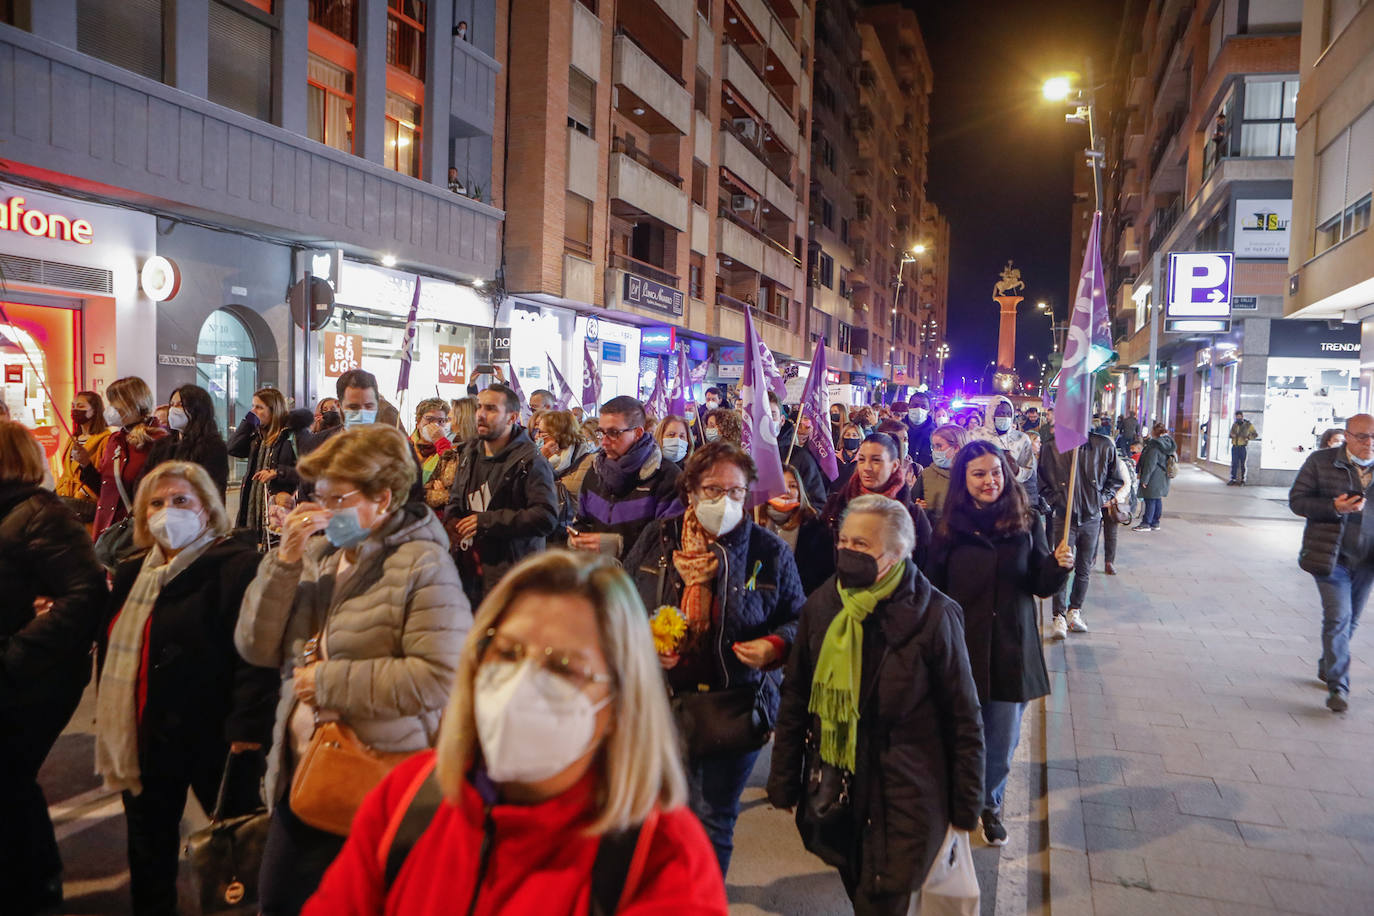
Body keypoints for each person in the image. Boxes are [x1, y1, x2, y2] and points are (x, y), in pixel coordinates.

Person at [300, 551, 728, 915]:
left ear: (619, 702)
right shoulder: (406, 798)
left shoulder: (663, 862)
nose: (522, 681)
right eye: (507, 652)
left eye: (563, 667)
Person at [235, 424, 472, 915]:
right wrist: (283, 560)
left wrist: (326, 683)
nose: (323, 510)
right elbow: (256, 645)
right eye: (318, 496)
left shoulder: (423, 566)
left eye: (336, 498)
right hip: (300, 772)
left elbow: (439, 679)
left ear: (382, 498)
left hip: (377, 783)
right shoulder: (318, 556)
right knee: (277, 902)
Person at [767, 494, 985, 913]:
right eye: (844, 541)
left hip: (908, 797)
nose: (847, 552)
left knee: (882, 898)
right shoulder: (824, 604)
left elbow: (964, 719)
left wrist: (966, 806)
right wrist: (784, 780)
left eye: (861, 545)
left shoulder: (935, 617)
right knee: (857, 883)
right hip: (839, 790)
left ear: (899, 552)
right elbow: (796, 695)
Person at [95, 461, 278, 916]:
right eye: (156, 503)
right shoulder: (134, 571)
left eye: (181, 501)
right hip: (144, 734)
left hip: (215, 739)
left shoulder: (236, 567)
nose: (166, 511)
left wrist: (248, 729)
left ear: (207, 510)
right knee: (148, 850)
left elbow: (255, 657)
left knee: (237, 848)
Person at [623, 442, 804, 875]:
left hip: (734, 705)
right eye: (712, 489)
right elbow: (621, 601)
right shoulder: (659, 538)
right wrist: (646, 643)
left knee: (714, 819)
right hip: (664, 704)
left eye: (736, 492)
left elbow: (799, 619)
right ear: (690, 492)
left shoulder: (768, 551)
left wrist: (776, 646)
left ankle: (703, 899)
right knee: (663, 816)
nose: (724, 501)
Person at [928, 442, 1071, 846]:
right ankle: (953, 797)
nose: (990, 480)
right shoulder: (947, 526)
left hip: (1012, 646)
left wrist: (1058, 568)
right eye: (978, 474)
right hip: (961, 646)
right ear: (963, 480)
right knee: (957, 730)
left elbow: (1038, 584)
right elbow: (932, 586)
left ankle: (988, 804)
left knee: (1002, 736)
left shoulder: (1027, 522)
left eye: (996, 472)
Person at [0, 421, 107, 915]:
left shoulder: (40, 514)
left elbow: (85, 597)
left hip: (35, 677)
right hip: (23, 669)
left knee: (10, 778)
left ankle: (36, 884)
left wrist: (17, 651)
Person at [1289, 413, 1374, 714]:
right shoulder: (1321, 461)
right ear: (1348, 436)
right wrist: (1333, 507)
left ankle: (1329, 663)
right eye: (1363, 436)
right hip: (1330, 556)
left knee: (1350, 621)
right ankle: (1339, 685)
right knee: (1338, 617)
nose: (1370, 443)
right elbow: (1297, 501)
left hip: (1366, 562)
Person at [444, 385, 559, 604]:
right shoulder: (469, 452)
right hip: (468, 573)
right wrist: (452, 519)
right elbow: (457, 497)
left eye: (491, 409)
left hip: (510, 576)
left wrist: (487, 521)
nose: (481, 415)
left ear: (511, 417)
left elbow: (545, 517)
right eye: (479, 407)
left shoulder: (531, 461)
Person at [570, 396, 682, 559]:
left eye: (614, 433)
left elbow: (670, 541)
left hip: (641, 581)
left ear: (637, 433)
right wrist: (578, 539)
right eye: (601, 433)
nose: (604, 442)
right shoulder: (595, 472)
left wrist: (618, 545)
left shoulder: (668, 477)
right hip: (598, 576)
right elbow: (582, 520)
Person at [1038, 426, 1123, 639]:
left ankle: (1074, 610)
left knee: (1084, 567)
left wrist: (1101, 499)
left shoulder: (1103, 445)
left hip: (1091, 517)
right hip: (1063, 517)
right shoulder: (1052, 446)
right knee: (1061, 564)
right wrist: (1055, 500)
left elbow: (1115, 479)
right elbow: (1041, 481)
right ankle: (1058, 615)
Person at [820, 433, 932, 566]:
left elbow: (924, 564)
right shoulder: (837, 505)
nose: (867, 468)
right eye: (862, 460)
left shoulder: (913, 515)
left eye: (876, 460)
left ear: (895, 465)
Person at [82, 377, 171, 540]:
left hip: (137, 534)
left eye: (116, 403)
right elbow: (106, 490)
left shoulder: (158, 441)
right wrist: (85, 466)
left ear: (135, 403)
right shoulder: (114, 439)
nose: (111, 409)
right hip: (107, 532)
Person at [228, 387, 303, 536]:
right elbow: (232, 448)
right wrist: (248, 422)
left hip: (280, 509)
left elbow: (308, 471)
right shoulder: (257, 437)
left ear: (273, 411)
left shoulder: (292, 436)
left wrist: (278, 473)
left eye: (259, 407)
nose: (253, 411)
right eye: (253, 406)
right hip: (253, 507)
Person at [755, 465, 835, 595]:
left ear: (800, 492)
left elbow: (824, 576)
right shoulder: (754, 522)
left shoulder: (815, 528)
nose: (786, 490)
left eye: (793, 486)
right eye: (779, 484)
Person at [149, 384, 230, 496]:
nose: (173, 409)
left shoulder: (213, 447)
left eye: (180, 405)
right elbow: (147, 478)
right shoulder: (162, 444)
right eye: (172, 404)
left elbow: (211, 489)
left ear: (197, 409)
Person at [533, 409, 596, 539]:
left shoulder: (589, 461)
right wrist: (540, 459)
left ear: (557, 434)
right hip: (544, 532)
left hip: (574, 533)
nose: (536, 437)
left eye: (541, 433)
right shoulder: (537, 457)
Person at [55, 389, 112, 522]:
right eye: (73, 406)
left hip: (86, 505)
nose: (75, 410)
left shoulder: (106, 439)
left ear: (95, 410)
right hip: (65, 499)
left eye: (80, 406)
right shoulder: (73, 438)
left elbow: (104, 477)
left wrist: (83, 493)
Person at [973, 395, 1038, 503]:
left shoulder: (1021, 439)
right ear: (991, 413)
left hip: (1011, 499)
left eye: (1008, 414)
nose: (1005, 417)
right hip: (980, 498)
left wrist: (1016, 471)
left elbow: (1028, 470)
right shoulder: (975, 436)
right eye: (1001, 413)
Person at [772, 393, 828, 507]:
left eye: (772, 415)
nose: (766, 419)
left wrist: (795, 516)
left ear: (782, 420)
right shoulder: (745, 457)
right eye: (761, 414)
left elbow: (818, 505)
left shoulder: (802, 458)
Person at [912, 424, 969, 523]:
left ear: (956, 447)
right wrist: (918, 509)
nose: (935, 451)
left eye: (939, 446)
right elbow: (912, 503)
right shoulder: (927, 474)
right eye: (933, 447)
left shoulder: (973, 475)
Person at [1135, 422, 1176, 532]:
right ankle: (1155, 522)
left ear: (1154, 432)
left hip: (1154, 476)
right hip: (1163, 476)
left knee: (1150, 499)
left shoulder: (1155, 447)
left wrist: (1145, 479)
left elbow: (1150, 464)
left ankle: (1146, 523)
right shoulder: (1167, 443)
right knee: (1157, 499)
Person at [902, 393, 936, 467]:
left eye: (923, 407)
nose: (919, 409)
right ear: (908, 407)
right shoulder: (898, 429)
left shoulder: (936, 433)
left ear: (929, 409)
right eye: (915, 405)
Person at [1228, 409, 1258, 485]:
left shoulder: (1248, 425)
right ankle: (1233, 479)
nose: (1238, 418)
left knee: (1242, 464)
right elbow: (1230, 434)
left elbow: (1255, 434)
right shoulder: (1235, 425)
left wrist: (1248, 438)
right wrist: (1232, 435)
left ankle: (1242, 480)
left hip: (1242, 447)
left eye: (1239, 416)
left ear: (1242, 416)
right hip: (1235, 446)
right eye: (1237, 417)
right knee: (1234, 463)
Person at [834, 421, 863, 490]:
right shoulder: (834, 459)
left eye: (854, 435)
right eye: (847, 435)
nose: (851, 437)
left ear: (860, 439)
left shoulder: (863, 460)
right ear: (843, 437)